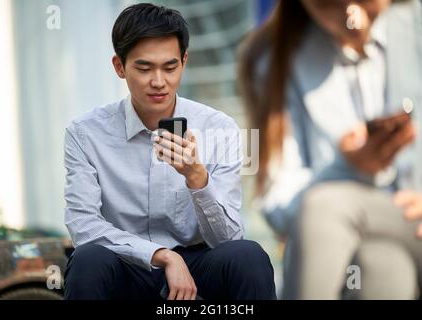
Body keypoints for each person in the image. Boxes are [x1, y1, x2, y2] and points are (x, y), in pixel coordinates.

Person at [63, 3, 276, 300]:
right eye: (144, 67)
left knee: (247, 256)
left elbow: (228, 238)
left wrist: (197, 178)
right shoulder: (86, 133)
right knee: (88, 260)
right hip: (127, 264)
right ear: (119, 66)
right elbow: (83, 225)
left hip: (199, 263)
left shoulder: (219, 128)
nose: (159, 82)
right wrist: (162, 255)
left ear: (184, 62)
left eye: (170, 67)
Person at [240, 0, 422, 299]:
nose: (352, 17)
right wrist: (349, 168)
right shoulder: (269, 57)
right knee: (382, 269)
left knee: (322, 205)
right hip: (354, 251)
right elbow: (272, 195)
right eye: (329, 4)